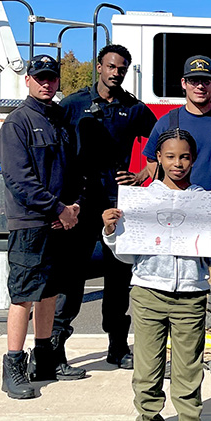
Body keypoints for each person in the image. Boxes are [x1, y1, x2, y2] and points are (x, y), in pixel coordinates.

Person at [102, 128, 211, 421]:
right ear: (157, 160)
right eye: (170, 156)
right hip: (147, 292)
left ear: (194, 160)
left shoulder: (204, 201)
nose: (178, 163)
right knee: (146, 369)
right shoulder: (141, 199)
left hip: (191, 294)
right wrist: (112, 230)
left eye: (185, 157)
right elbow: (126, 255)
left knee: (188, 369)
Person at [137, 55, 211, 378]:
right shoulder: (169, 121)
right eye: (194, 80)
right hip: (175, 213)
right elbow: (151, 165)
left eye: (207, 81)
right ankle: (178, 353)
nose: (201, 86)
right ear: (184, 84)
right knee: (180, 285)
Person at [53, 44, 158, 375]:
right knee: (71, 278)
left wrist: (143, 173)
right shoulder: (73, 105)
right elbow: (54, 151)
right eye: (111, 66)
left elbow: (161, 141)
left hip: (118, 205)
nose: (116, 72)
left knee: (118, 279)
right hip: (81, 204)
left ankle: (117, 347)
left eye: (122, 68)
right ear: (99, 66)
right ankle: (55, 349)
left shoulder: (133, 108)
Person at [0, 55, 82, 399]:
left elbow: (72, 169)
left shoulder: (60, 120)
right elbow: (19, 180)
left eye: (52, 78)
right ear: (28, 81)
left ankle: (44, 357)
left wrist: (74, 206)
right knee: (23, 295)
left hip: (61, 221)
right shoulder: (17, 123)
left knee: (51, 291)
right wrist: (58, 208)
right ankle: (13, 365)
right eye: (40, 78)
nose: (47, 83)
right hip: (31, 223)